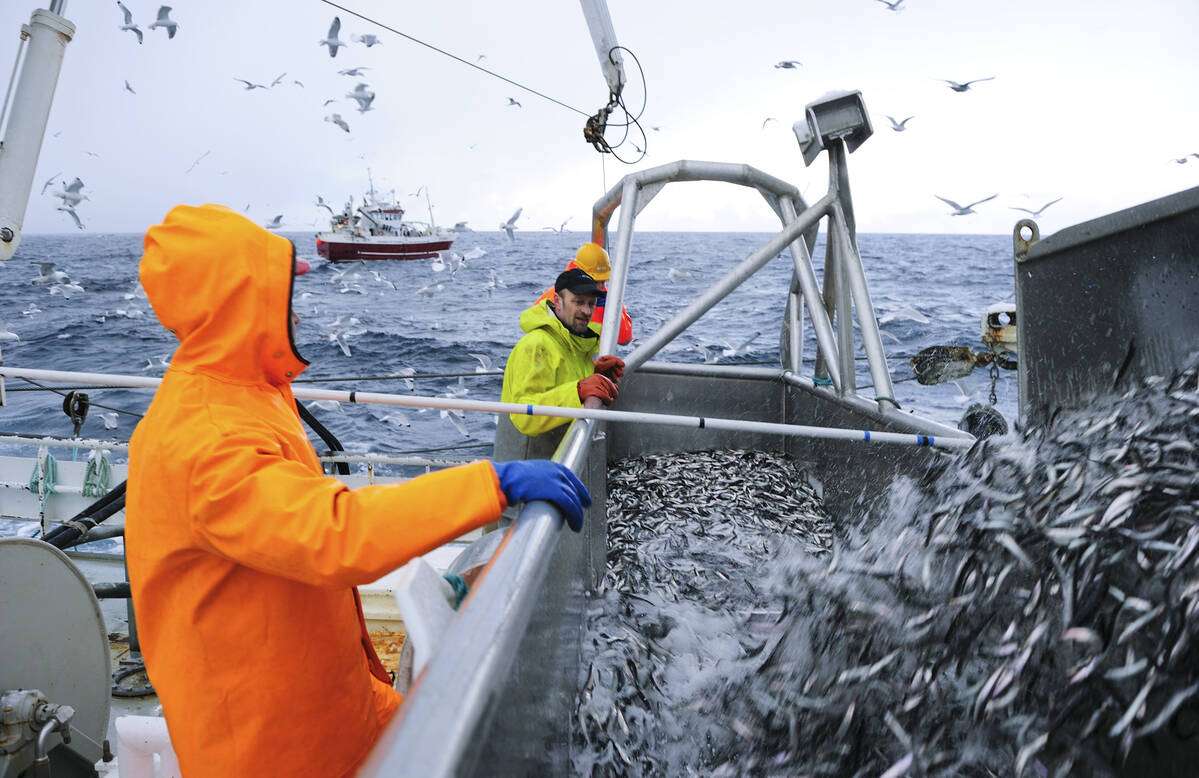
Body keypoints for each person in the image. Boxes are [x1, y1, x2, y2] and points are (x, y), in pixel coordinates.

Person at [125, 203, 591, 778]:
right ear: (236, 303)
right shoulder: (206, 437)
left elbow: (281, 546)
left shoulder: (243, 394)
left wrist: (443, 592)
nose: (295, 303)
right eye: (276, 290)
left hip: (332, 705)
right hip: (271, 750)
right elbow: (332, 533)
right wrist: (491, 484)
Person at [502, 267, 625, 438]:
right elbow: (522, 417)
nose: (587, 311)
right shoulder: (535, 345)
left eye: (591, 303)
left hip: (563, 454)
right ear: (557, 301)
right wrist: (579, 391)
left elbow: (566, 381)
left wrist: (598, 375)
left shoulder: (580, 344)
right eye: (579, 302)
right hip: (532, 459)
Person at [533, 242, 634, 345]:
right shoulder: (552, 298)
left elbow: (624, 338)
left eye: (603, 281)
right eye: (596, 281)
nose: (601, 287)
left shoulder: (607, 299)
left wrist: (613, 308)